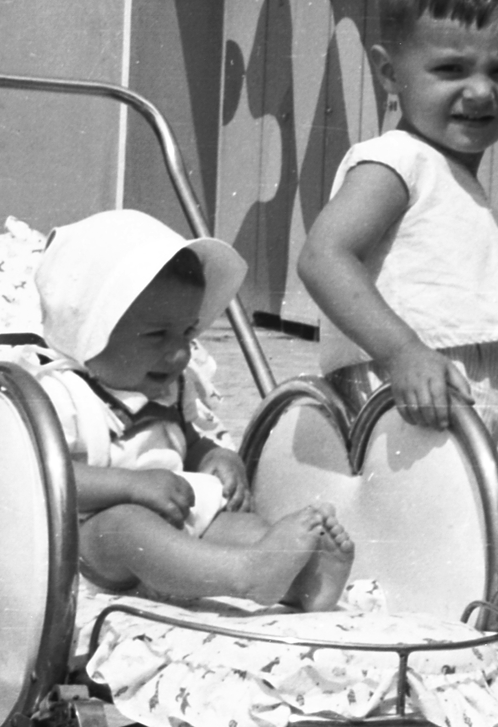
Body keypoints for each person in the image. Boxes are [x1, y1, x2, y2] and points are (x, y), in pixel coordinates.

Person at [34, 209, 353, 609]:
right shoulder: (60, 396)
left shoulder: (171, 387)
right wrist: (131, 485)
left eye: (188, 332)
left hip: (174, 517)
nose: (181, 352)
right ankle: (246, 576)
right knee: (129, 527)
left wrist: (214, 455)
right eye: (157, 335)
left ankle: (301, 583)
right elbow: (41, 477)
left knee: (237, 525)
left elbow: (189, 435)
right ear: (88, 331)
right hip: (87, 546)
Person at [297, 0, 498, 441]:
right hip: (393, 396)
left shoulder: (452, 176)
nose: (480, 92)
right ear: (389, 73)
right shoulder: (397, 162)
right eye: (451, 68)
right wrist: (402, 351)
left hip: (435, 403)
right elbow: (323, 256)